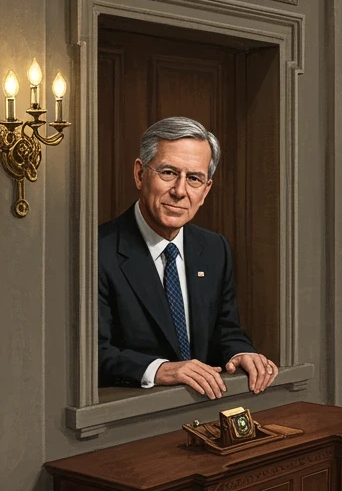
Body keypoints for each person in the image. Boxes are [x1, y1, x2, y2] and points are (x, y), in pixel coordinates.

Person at [99, 117, 277, 399]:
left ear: (205, 190)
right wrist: (161, 370)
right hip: (131, 418)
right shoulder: (98, 252)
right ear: (139, 174)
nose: (180, 191)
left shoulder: (214, 248)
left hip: (205, 409)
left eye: (194, 178)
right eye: (168, 172)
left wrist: (241, 352)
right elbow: (92, 353)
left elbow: (225, 329)